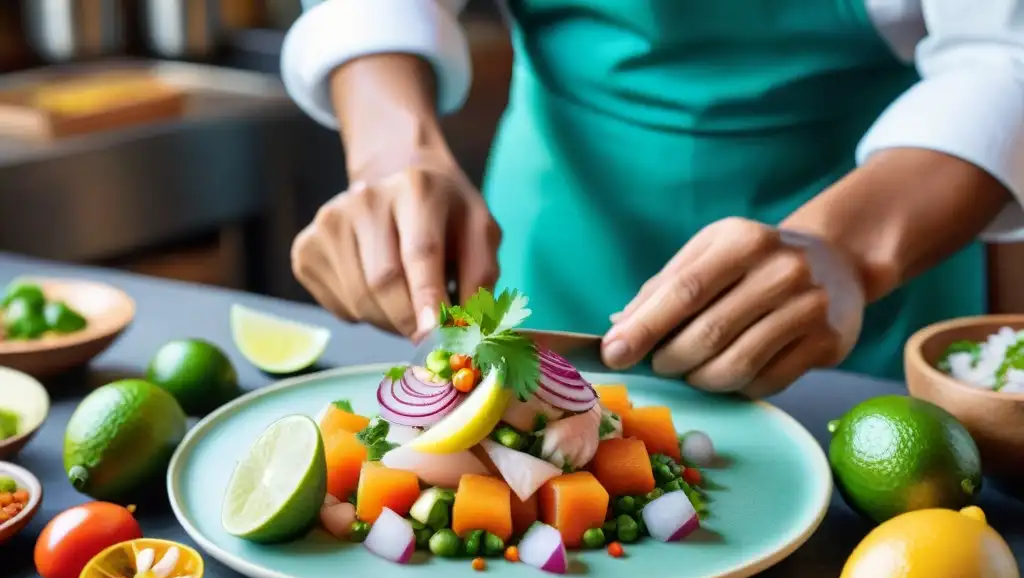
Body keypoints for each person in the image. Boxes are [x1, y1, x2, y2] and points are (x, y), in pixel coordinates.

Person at [281, 0, 1024, 397]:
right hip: (562, 228)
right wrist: (390, 155)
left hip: (877, 230)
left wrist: (848, 249)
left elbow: (1005, 55)